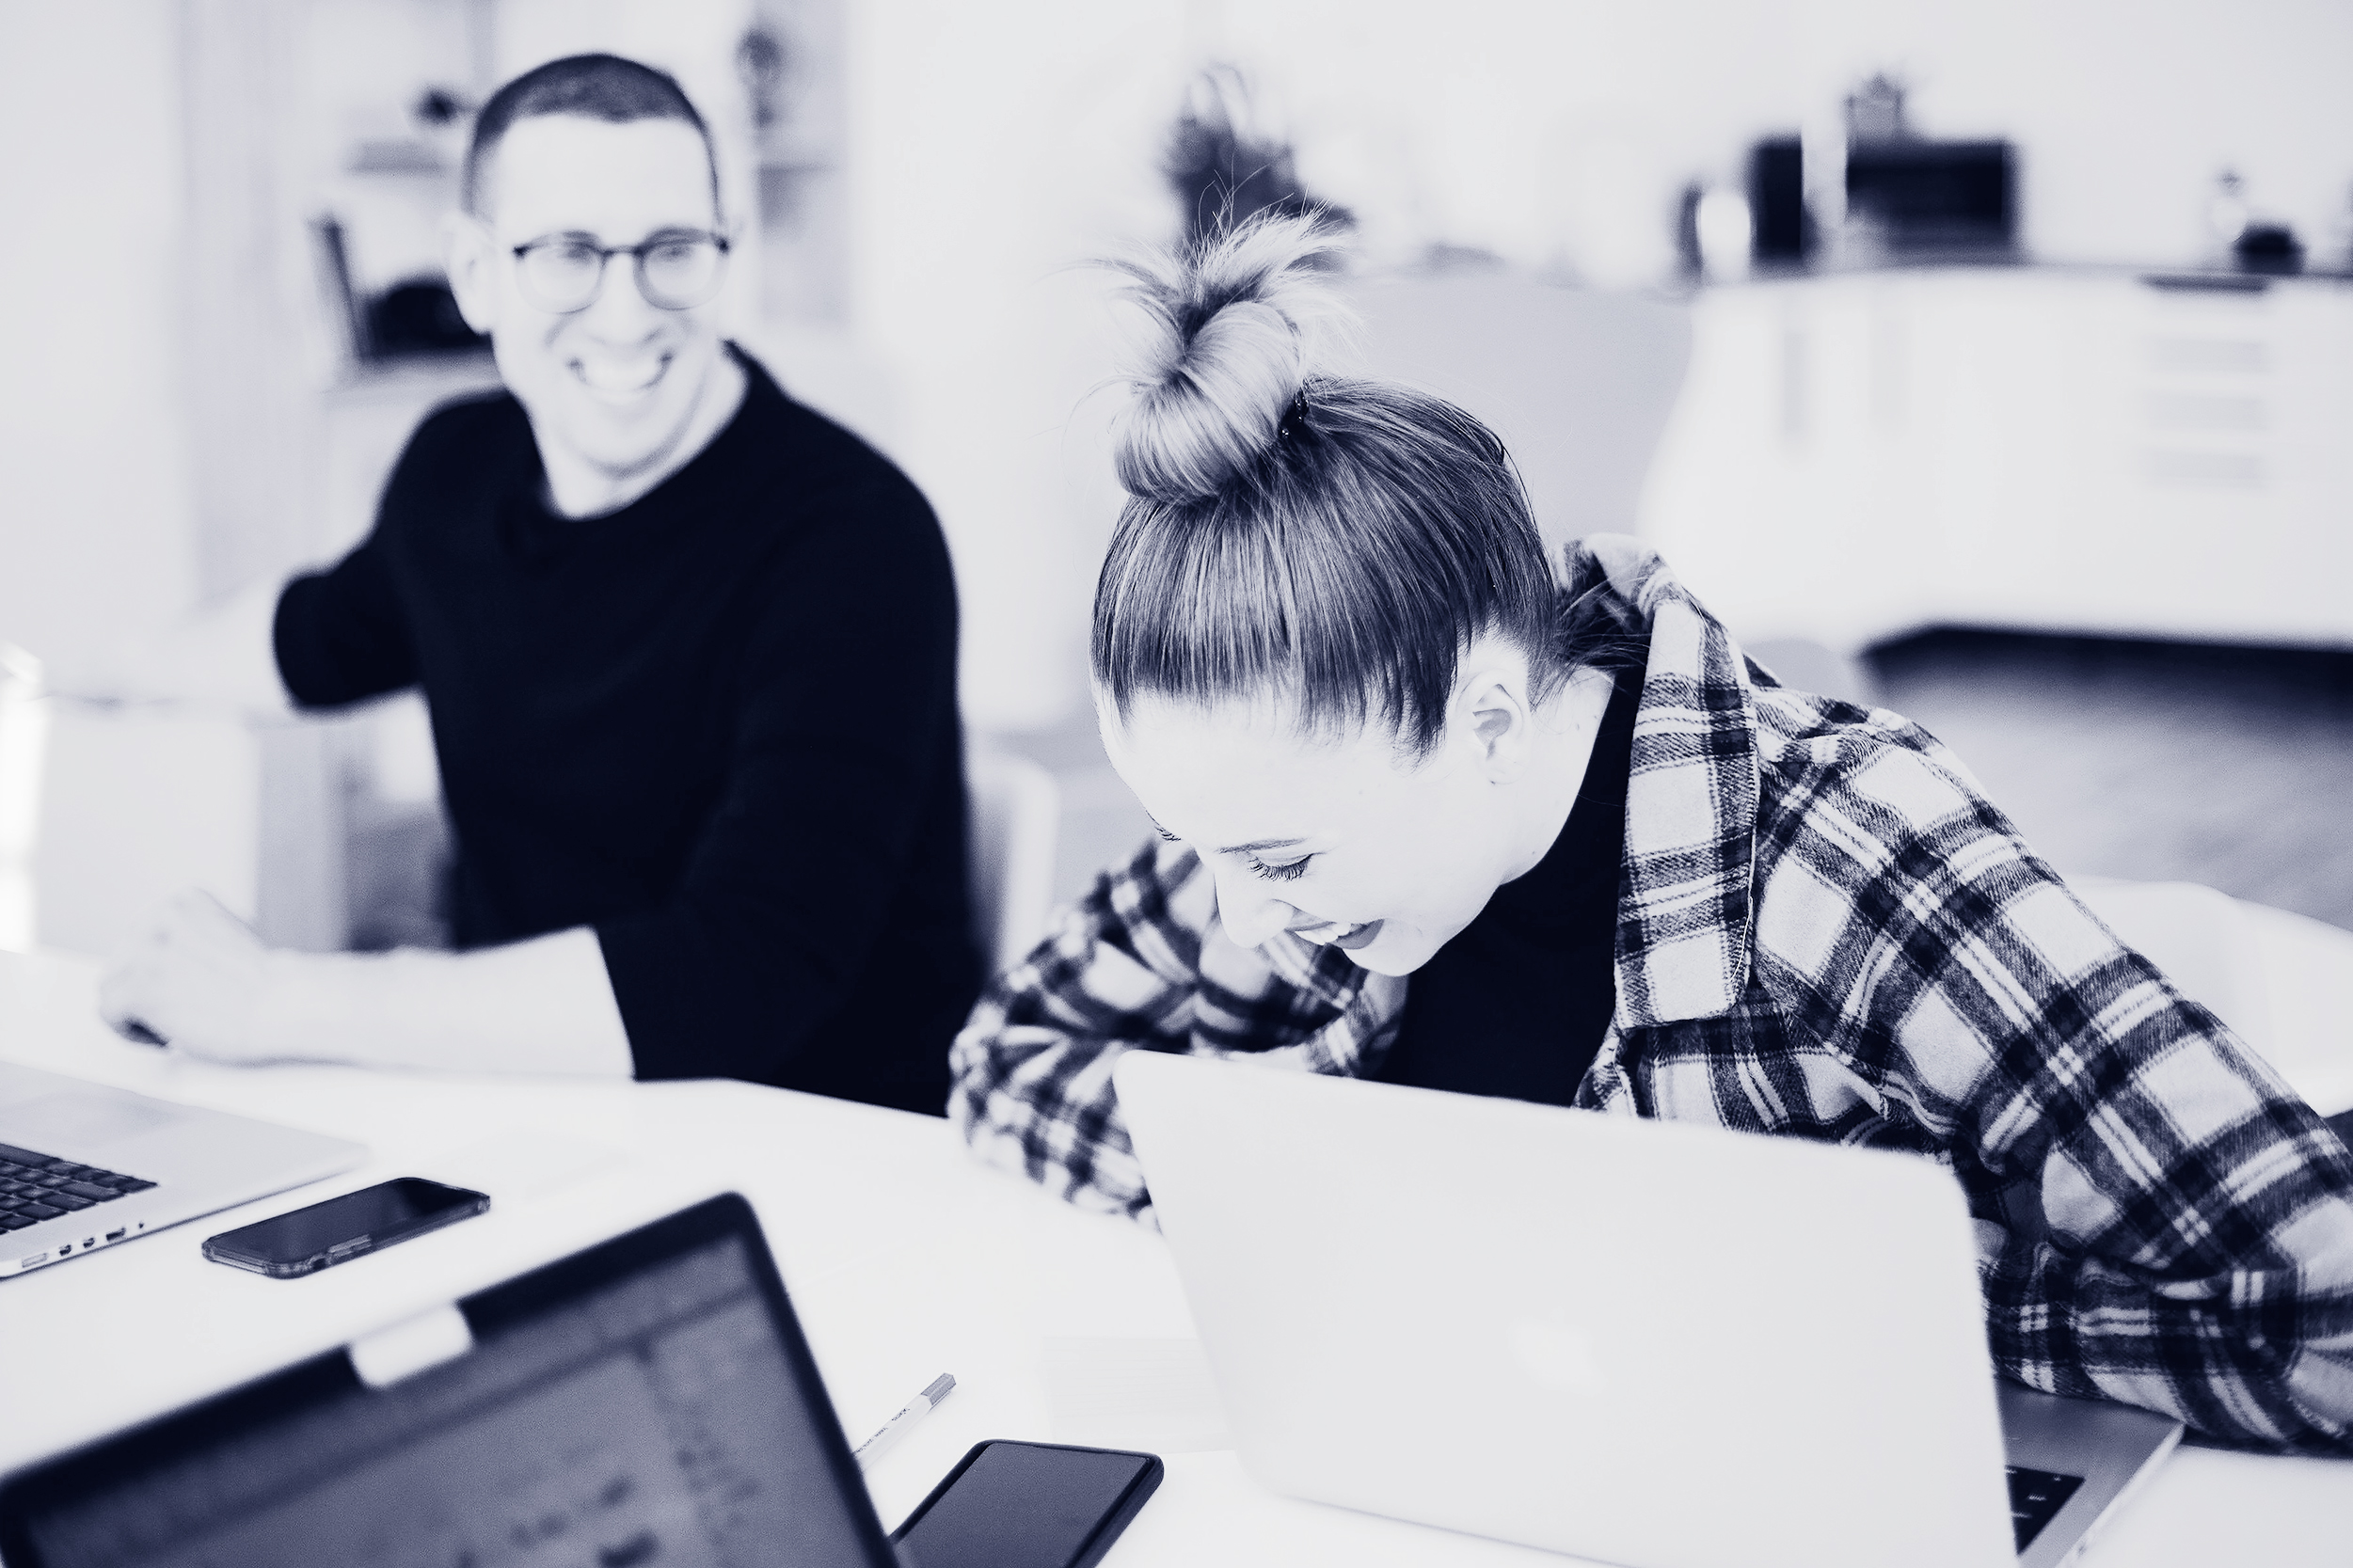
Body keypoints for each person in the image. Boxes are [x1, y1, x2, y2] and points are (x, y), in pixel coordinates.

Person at [948, 214, 2353, 1451]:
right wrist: (1303, 1185)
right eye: (1193, 843)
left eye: (1279, 864)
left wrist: (1902, 1295)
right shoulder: (1285, 802)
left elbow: (2326, 1308)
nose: (1234, 915)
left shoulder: (1847, 860)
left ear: (1486, 714)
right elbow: (1006, 1060)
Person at [91, 55, 978, 1115]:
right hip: (526, 1115)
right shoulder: (454, 474)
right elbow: (318, 635)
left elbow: (744, 974)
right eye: (566, 254)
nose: (624, 313)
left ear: (722, 252)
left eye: (671, 251)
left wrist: (277, 999)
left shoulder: (854, 538)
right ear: (474, 273)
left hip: (815, 1151)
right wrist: (93, 670)